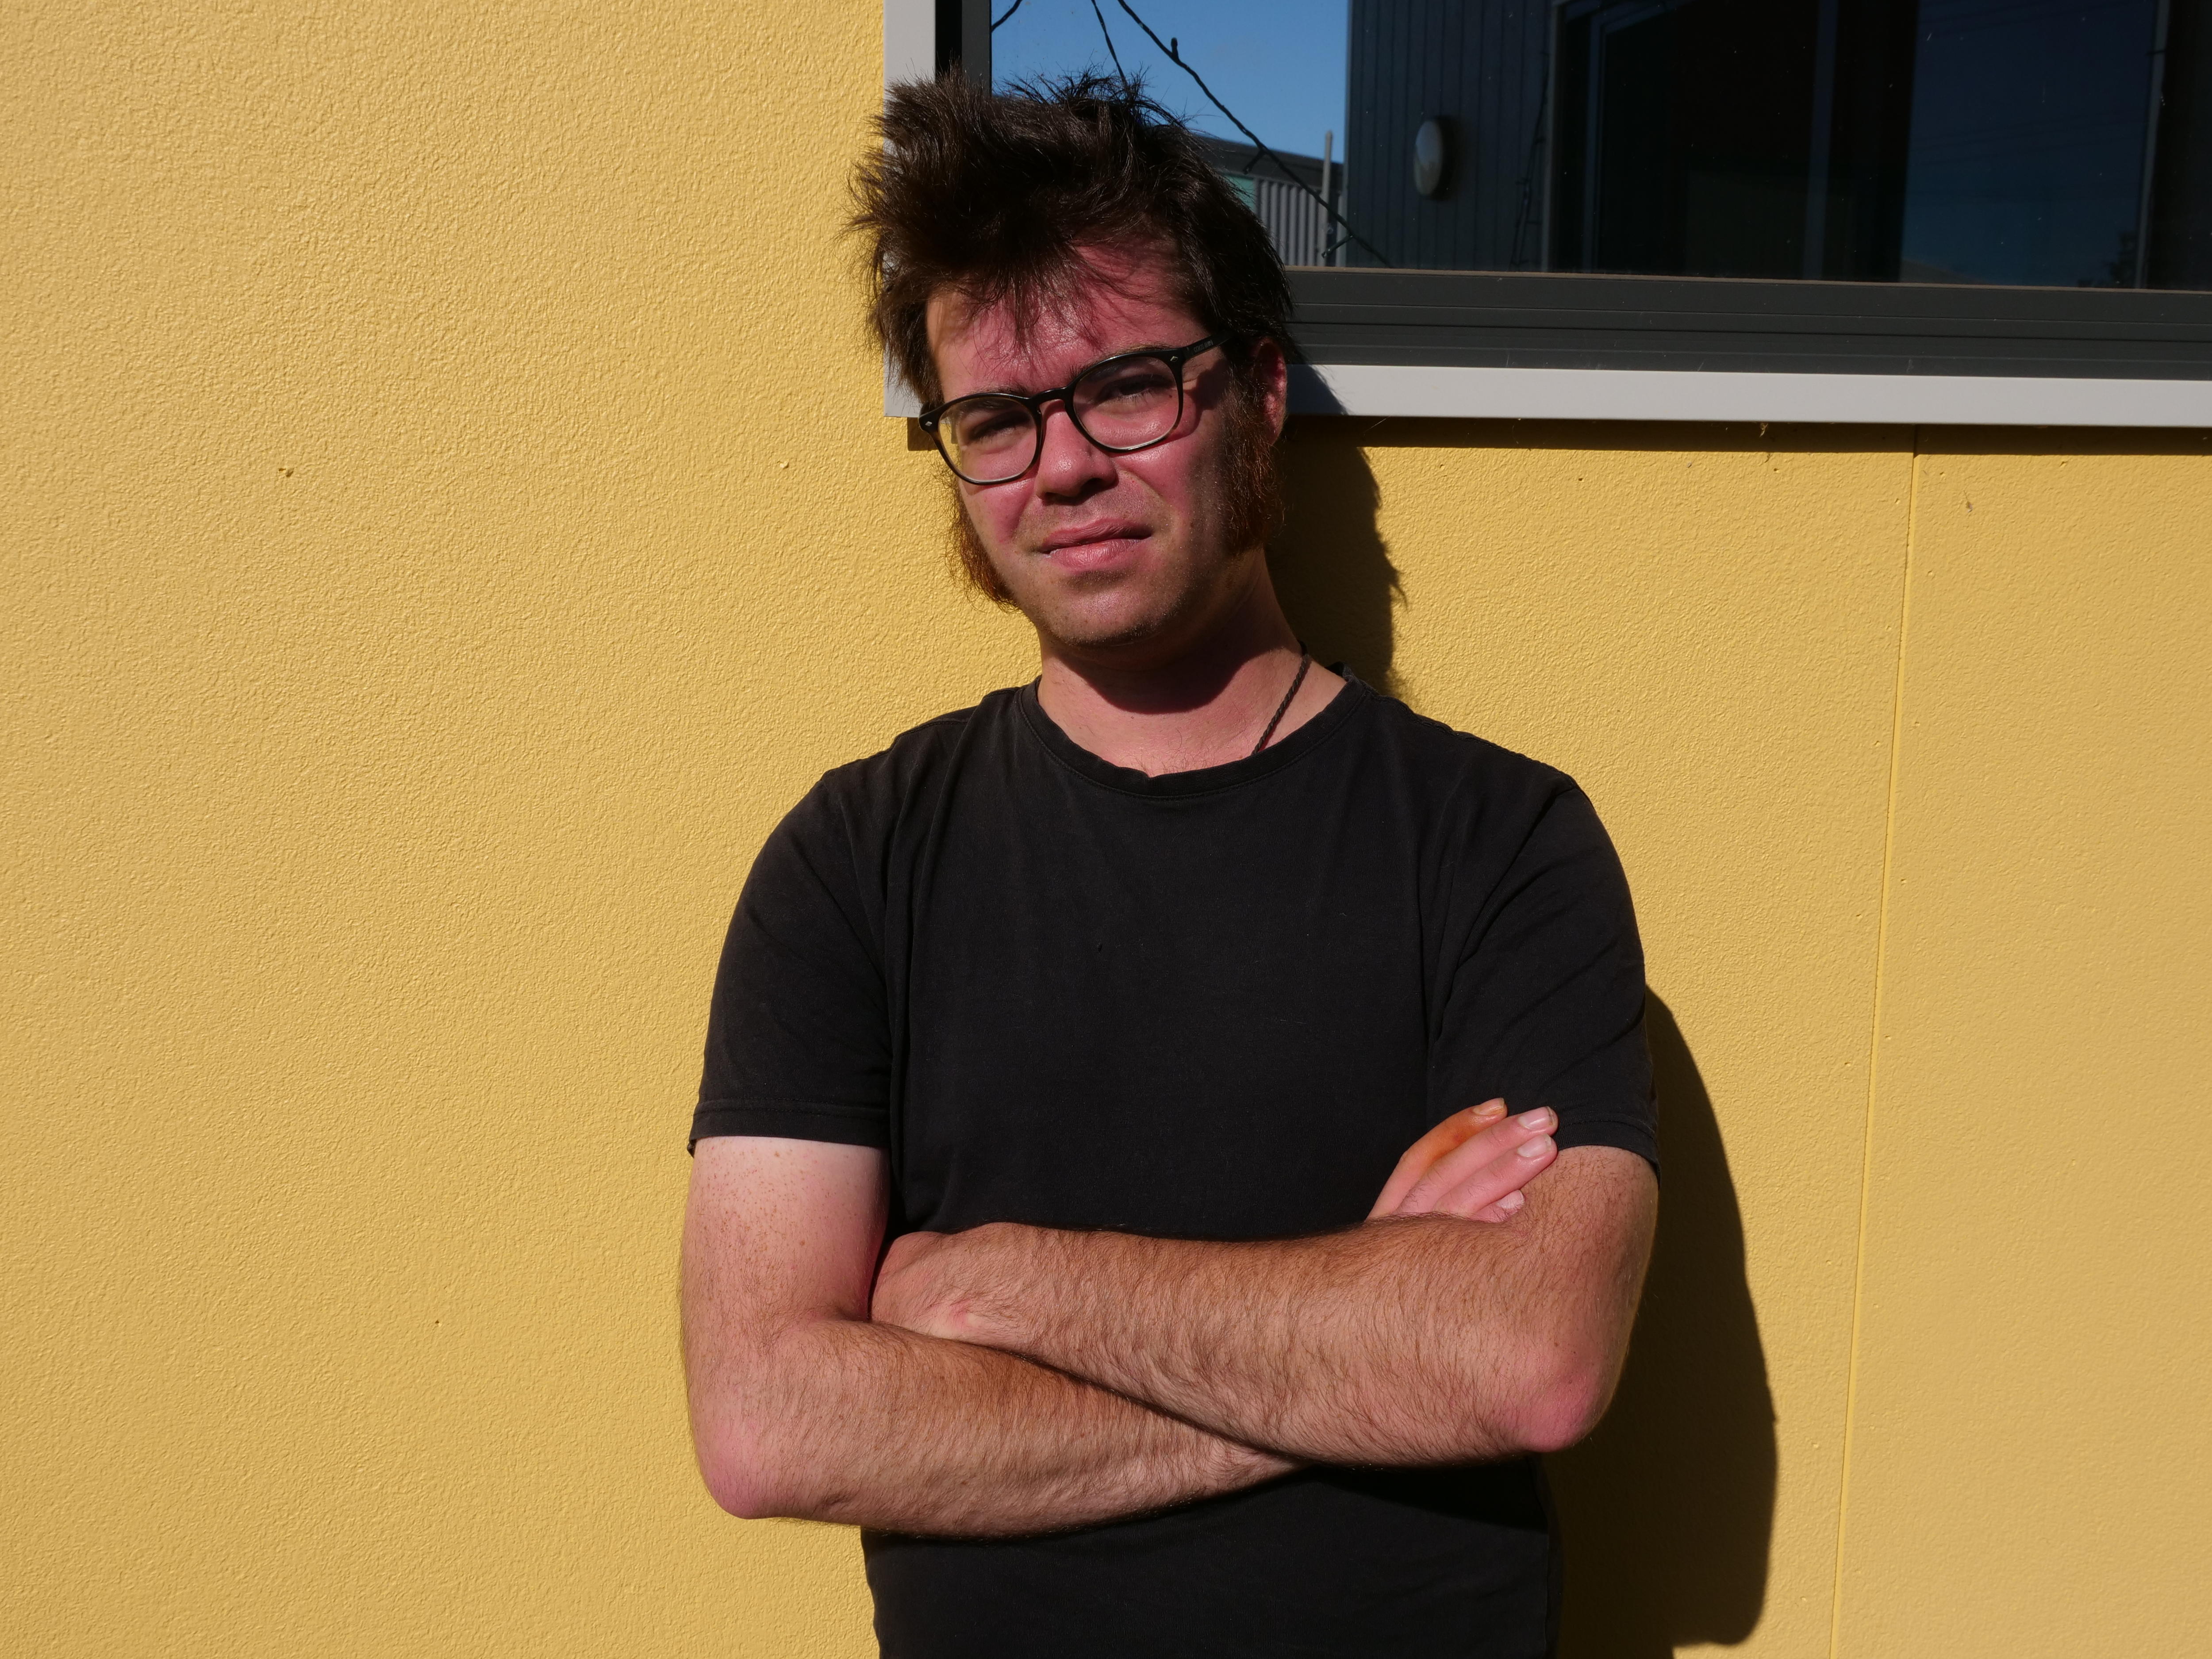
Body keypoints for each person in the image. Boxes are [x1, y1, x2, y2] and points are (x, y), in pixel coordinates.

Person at [680, 75, 1659, 1659]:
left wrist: (996, 1284)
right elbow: (769, 1422)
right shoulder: (853, 865)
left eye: (1125, 388)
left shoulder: (1502, 843)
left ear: (1259, 393)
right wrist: (1360, 1337)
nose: (1059, 469)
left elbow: (1532, 1362)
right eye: (994, 422)